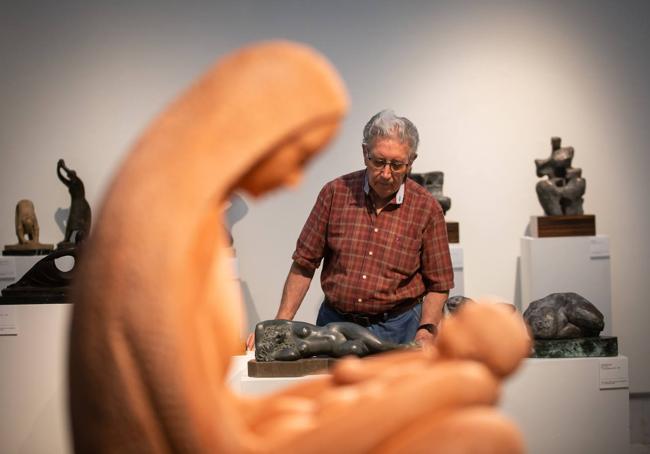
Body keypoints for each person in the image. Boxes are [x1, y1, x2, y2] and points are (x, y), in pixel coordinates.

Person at [249, 109, 453, 351]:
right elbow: (304, 264)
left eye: (397, 165)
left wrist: (426, 329)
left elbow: (439, 284)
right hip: (335, 327)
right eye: (378, 162)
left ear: (411, 162)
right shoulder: (335, 193)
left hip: (397, 331)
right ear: (365, 153)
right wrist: (281, 324)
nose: (386, 174)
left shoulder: (427, 208)